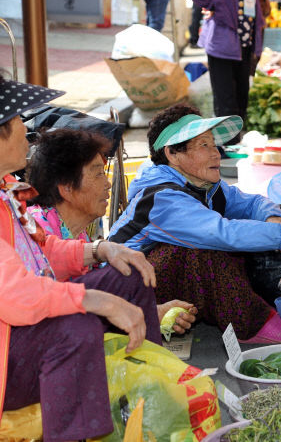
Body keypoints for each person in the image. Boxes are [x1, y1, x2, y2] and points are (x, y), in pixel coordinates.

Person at [0, 75, 162, 440]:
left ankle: (150, 390)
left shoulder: (7, 191)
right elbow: (14, 295)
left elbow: (43, 251)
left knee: (129, 271)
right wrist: (92, 299)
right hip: (8, 351)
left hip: (22, 330)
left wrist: (101, 249)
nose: (24, 132)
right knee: (76, 328)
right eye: (15, 124)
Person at [107, 104, 281, 341]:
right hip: (129, 290)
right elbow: (224, 233)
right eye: (203, 145)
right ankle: (255, 323)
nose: (216, 153)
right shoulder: (162, 197)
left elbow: (254, 203)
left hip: (156, 280)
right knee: (206, 249)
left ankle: (259, 305)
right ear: (172, 154)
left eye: (214, 144)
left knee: (264, 226)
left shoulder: (207, 186)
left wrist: (274, 220)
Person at [26, 128, 198, 336]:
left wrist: (155, 313)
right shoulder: (34, 229)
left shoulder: (78, 234)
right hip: (44, 336)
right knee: (128, 273)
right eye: (98, 173)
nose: (107, 184)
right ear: (67, 188)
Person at [182, 0, 281, 134]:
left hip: (244, 42)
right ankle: (226, 144)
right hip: (223, 43)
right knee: (226, 100)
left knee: (242, 96)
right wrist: (212, 4)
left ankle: (237, 142)